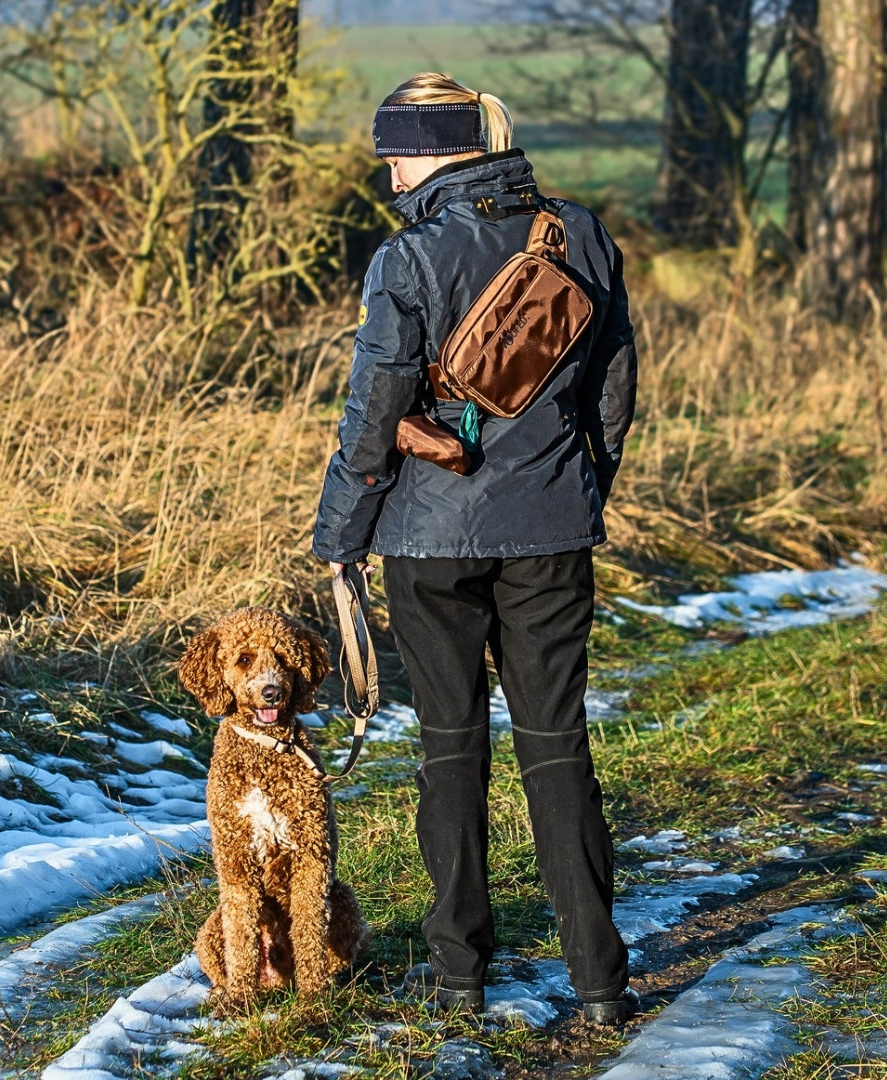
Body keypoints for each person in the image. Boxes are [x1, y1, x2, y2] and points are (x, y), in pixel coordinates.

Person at [312, 72, 638, 1025]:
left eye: (398, 157)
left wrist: (340, 536)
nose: (389, 174)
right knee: (557, 748)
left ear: (442, 154)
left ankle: (460, 973)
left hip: (429, 540)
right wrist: (580, 488)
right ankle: (600, 982)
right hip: (552, 533)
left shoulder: (406, 258)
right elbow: (614, 388)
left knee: (449, 750)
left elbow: (372, 412)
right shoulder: (579, 234)